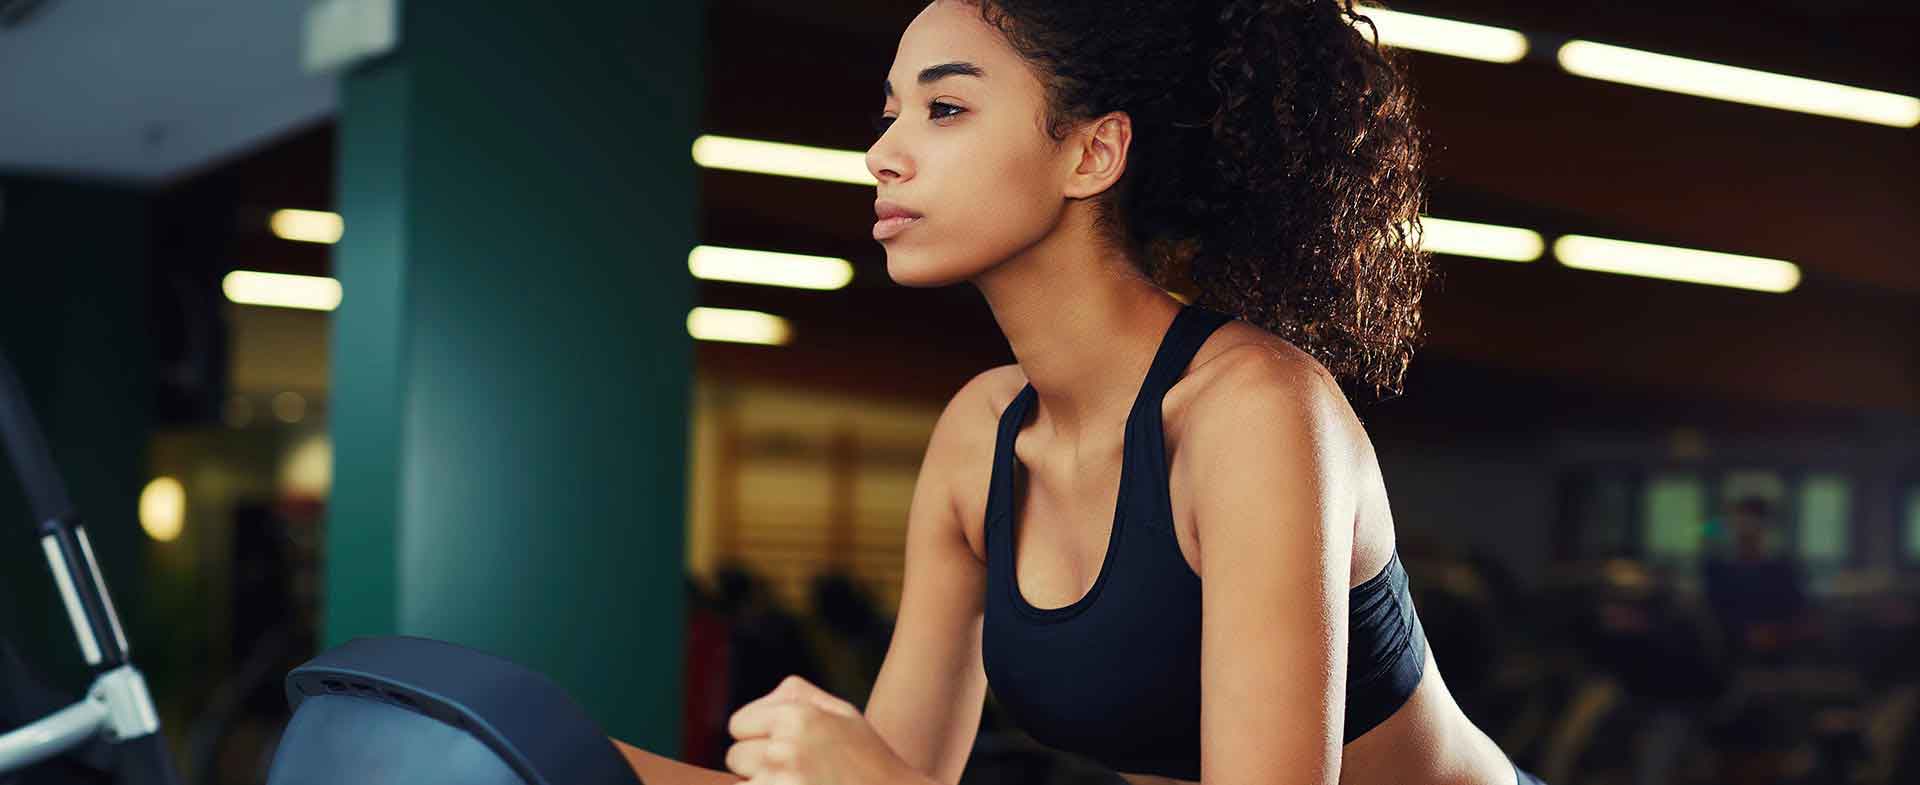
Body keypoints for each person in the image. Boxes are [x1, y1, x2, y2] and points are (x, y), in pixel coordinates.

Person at [616, 1, 1538, 783]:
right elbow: (890, 765)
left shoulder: (1252, 409)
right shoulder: (980, 434)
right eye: (889, 111)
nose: (881, 154)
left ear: (1092, 155)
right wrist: (524, 741)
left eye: (943, 108)